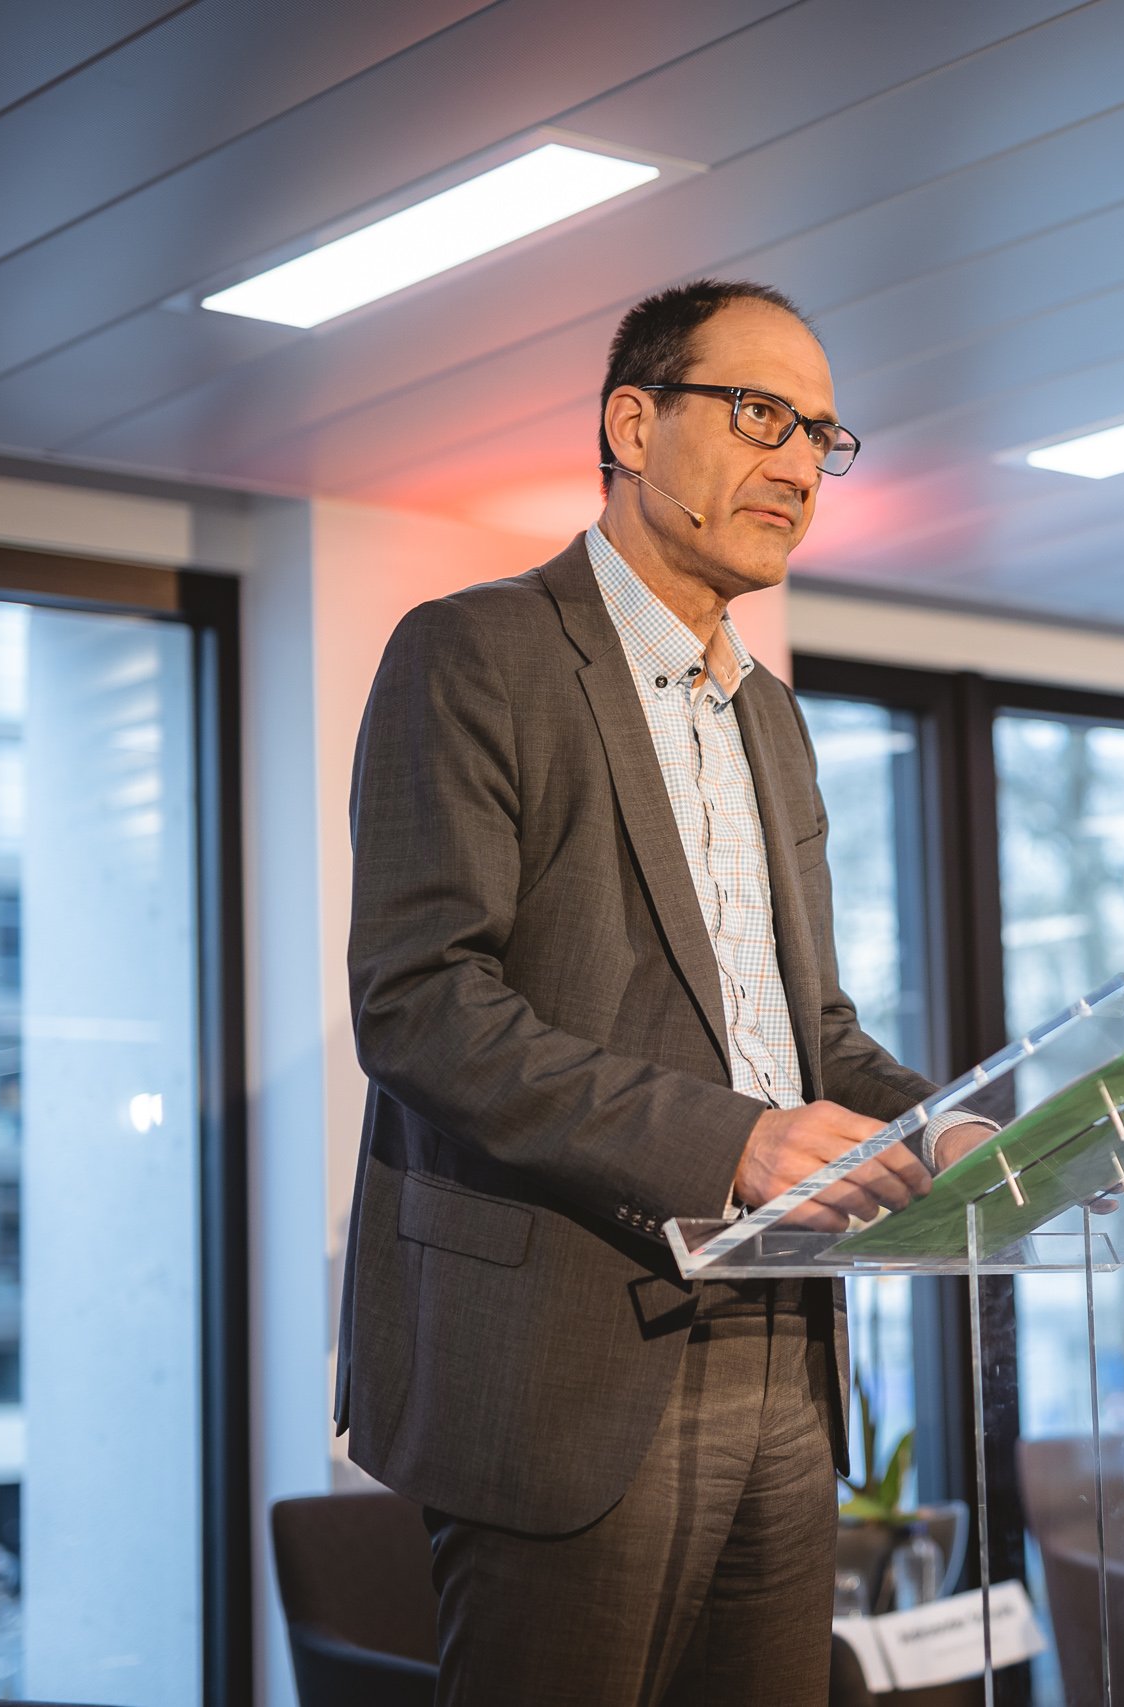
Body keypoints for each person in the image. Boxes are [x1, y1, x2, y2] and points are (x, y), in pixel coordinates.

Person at [338, 278, 985, 1704]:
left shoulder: (771, 715)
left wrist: (947, 1128)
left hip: (785, 1347)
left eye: (823, 432)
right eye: (761, 413)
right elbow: (420, 1003)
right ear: (633, 423)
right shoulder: (475, 653)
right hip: (564, 1361)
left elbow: (805, 1030)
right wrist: (730, 1143)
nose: (802, 463)